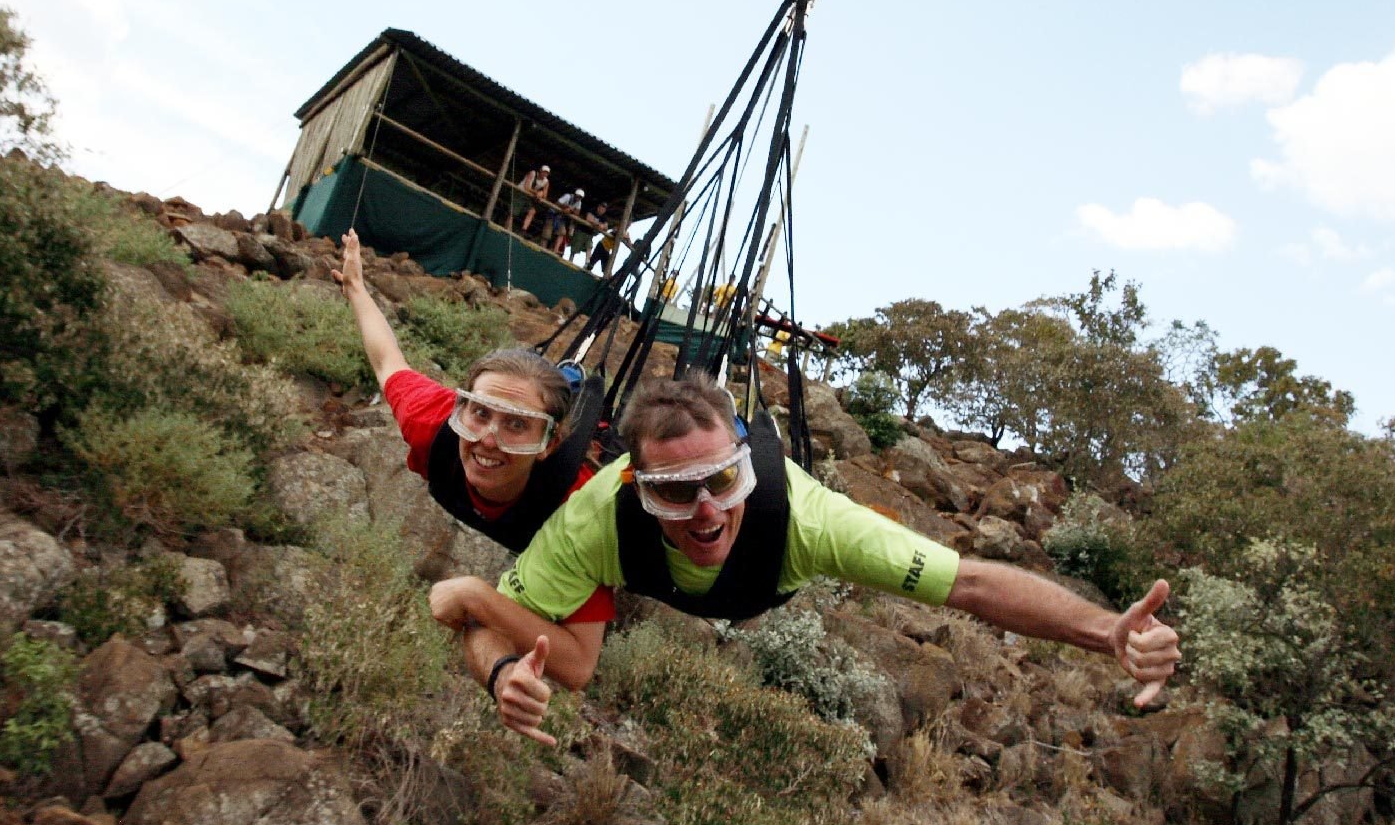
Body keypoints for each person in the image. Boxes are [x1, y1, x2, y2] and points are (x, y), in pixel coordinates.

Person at [436, 372, 1182, 745]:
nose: (705, 513)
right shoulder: (598, 516)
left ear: (747, 469)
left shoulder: (809, 521)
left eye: (723, 481)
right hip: (641, 569)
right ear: (635, 486)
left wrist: (1102, 629)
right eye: (674, 492)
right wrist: (500, 667)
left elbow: (975, 584)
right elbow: (538, 649)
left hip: (762, 580)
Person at [336, 229, 614, 660]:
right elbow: (387, 361)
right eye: (480, 413)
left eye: (518, 425)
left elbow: (580, 663)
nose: (488, 438)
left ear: (548, 443)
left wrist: (478, 599)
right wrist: (355, 286)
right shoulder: (436, 425)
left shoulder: (579, 505)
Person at [515, 164, 551, 235]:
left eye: (547, 173)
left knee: (532, 211)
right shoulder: (533, 173)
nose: (545, 174)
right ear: (540, 171)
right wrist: (537, 193)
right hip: (520, 193)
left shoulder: (546, 182)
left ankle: (523, 230)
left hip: (529, 196)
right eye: (544, 171)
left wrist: (541, 193)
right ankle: (507, 228)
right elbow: (526, 187)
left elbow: (545, 196)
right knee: (513, 212)